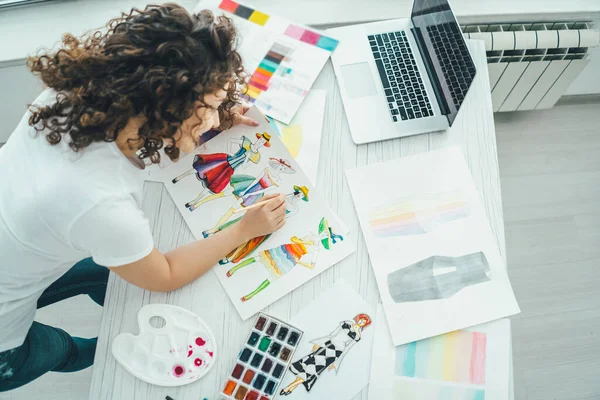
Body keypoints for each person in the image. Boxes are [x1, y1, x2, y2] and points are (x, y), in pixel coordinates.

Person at [0, 4, 287, 392]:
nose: (217, 118)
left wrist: (208, 117)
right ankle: (99, 352)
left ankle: (115, 319)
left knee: (105, 276)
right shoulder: (101, 204)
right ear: (170, 109)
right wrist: (243, 229)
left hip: (19, 242)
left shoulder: (73, 94)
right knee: (59, 348)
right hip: (4, 342)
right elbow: (164, 276)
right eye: (212, 107)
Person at [280, 314, 372, 395]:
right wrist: (319, 343)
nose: (361, 322)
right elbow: (332, 334)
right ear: (358, 318)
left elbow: (346, 349)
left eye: (364, 322)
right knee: (308, 366)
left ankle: (289, 387)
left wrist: (336, 362)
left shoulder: (357, 336)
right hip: (327, 345)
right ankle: (290, 388)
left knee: (313, 371)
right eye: (361, 319)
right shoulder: (346, 323)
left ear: (364, 325)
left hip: (336, 353)